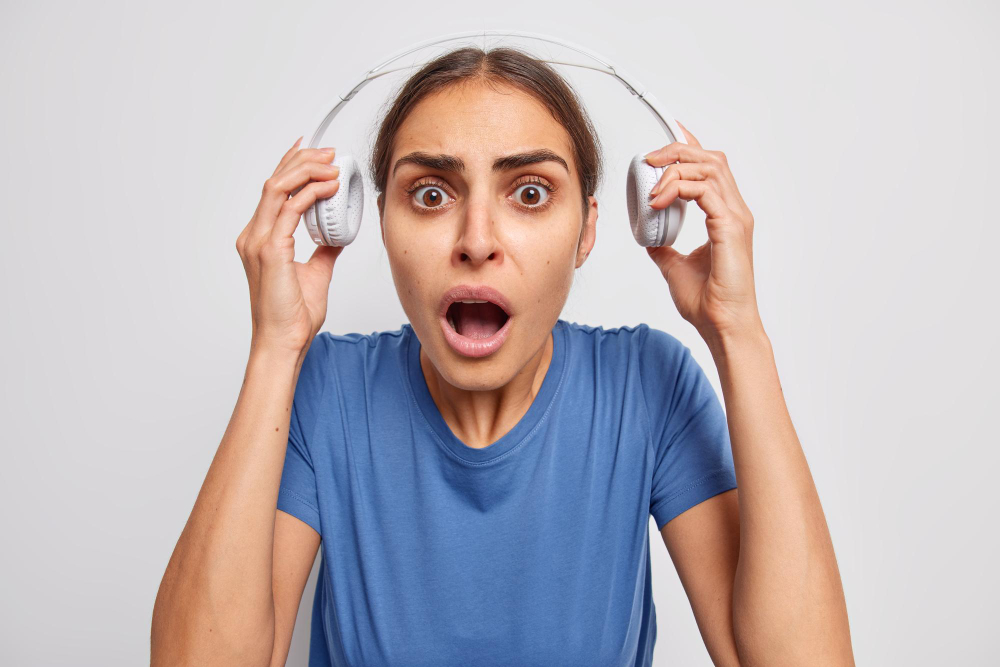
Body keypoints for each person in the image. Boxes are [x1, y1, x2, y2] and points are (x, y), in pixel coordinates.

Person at [151, 46, 855, 666]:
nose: (477, 238)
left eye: (529, 192)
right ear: (363, 220)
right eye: (430, 193)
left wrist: (739, 331)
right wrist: (276, 349)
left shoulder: (650, 387)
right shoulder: (325, 392)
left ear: (587, 230)